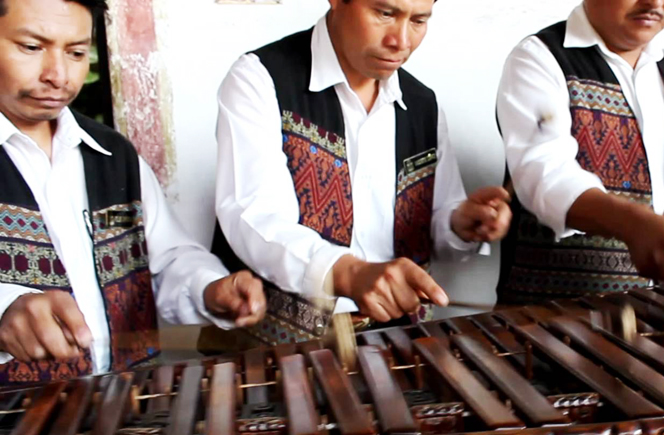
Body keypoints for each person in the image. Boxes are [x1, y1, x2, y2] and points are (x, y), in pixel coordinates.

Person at [213, 0, 512, 344]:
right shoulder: (260, 79)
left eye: (418, 20)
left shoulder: (422, 105)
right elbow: (255, 217)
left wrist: (461, 225)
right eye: (385, 14)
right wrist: (350, 273)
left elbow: (435, 222)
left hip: (400, 343)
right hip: (283, 352)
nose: (401, 41)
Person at [0, 0, 266, 385]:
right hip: (15, 428)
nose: (58, 75)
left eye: (76, 53)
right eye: (31, 48)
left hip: (125, 403)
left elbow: (166, 258)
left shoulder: (113, 155)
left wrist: (209, 288)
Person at [494, 0, 664, 305]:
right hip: (555, 327)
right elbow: (546, 176)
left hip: (658, 315)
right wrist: (634, 223)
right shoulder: (539, 59)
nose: (654, 2)